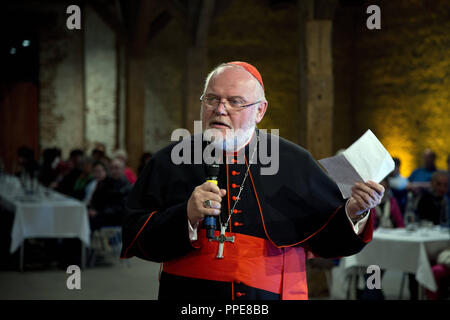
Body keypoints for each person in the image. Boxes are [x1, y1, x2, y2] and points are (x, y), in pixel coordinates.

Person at [120, 61, 384, 300]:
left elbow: (325, 236)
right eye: (211, 99)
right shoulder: (170, 160)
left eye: (235, 101)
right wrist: (186, 215)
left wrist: (353, 212)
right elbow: (135, 233)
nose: (220, 110)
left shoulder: (293, 161)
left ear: (260, 111)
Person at [88, 160, 131, 231]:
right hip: (104, 214)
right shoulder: (106, 182)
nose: (113, 171)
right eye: (111, 168)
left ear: (123, 169)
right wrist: (92, 209)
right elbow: (97, 199)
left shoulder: (126, 186)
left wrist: (98, 213)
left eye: (116, 168)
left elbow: (120, 207)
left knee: (90, 222)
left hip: (115, 218)